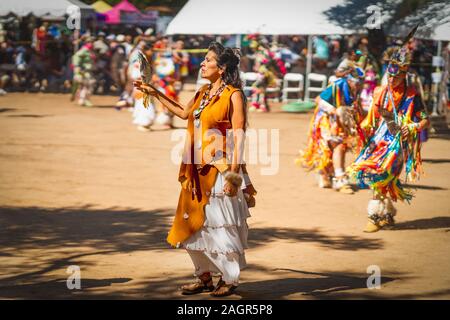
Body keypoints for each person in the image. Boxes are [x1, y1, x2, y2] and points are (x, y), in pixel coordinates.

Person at [134, 42, 256, 297]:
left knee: (220, 225)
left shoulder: (233, 94)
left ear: (221, 68)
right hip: (195, 169)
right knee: (192, 225)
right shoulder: (203, 92)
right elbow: (182, 112)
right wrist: (154, 92)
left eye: (207, 60)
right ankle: (204, 277)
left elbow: (239, 135)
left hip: (221, 168)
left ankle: (229, 279)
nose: (201, 64)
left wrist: (234, 176)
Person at [348, 44, 430, 233]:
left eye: (397, 76)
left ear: (404, 76)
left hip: (398, 143)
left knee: (383, 176)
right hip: (379, 140)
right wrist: (358, 116)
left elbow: (425, 120)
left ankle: (375, 216)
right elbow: (372, 119)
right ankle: (386, 213)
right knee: (379, 176)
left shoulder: (412, 96)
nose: (392, 79)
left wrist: (413, 126)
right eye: (390, 75)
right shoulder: (380, 92)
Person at [296, 68, 364, 194]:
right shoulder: (337, 86)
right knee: (338, 147)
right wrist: (334, 110)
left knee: (333, 149)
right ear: (349, 81)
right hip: (327, 120)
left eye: (360, 83)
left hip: (339, 123)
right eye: (357, 82)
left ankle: (325, 174)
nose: (359, 85)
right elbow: (318, 99)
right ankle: (340, 179)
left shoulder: (354, 90)